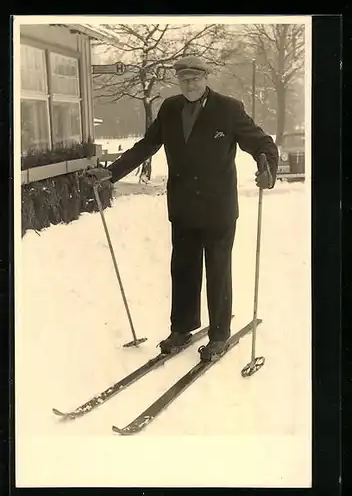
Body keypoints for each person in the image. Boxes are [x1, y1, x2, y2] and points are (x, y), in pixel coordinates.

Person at [87, 55, 279, 362]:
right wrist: (111, 172)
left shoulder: (228, 109)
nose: (189, 84)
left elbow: (261, 142)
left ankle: (219, 335)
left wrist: (267, 165)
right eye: (184, 80)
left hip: (218, 207)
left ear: (205, 78)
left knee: (218, 271)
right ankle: (182, 328)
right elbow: (147, 145)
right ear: (178, 81)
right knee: (184, 269)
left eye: (195, 79)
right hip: (183, 206)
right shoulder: (170, 108)